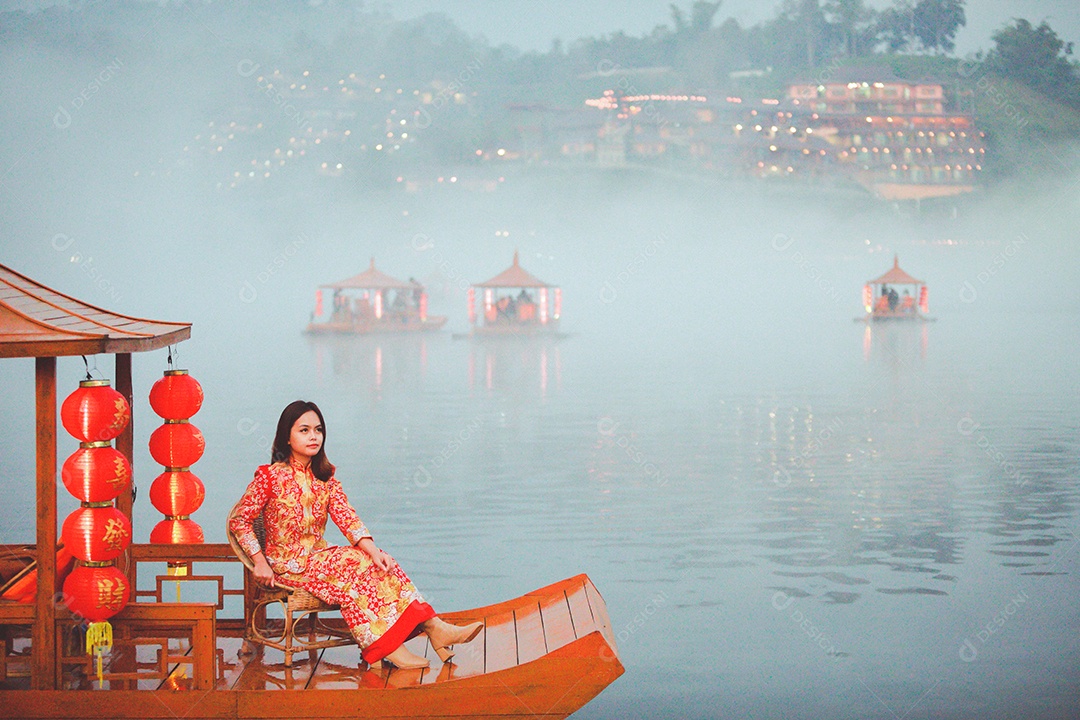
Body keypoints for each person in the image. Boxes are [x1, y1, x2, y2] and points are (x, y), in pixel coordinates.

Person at [230, 400, 482, 669]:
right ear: (287, 438)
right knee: (357, 568)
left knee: (378, 561)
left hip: (319, 558)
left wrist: (374, 551)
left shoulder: (325, 477)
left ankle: (434, 627)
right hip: (287, 565)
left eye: (318, 429)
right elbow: (240, 521)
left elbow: (348, 519)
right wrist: (259, 561)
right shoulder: (269, 477)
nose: (313, 436)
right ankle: (390, 646)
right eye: (304, 430)